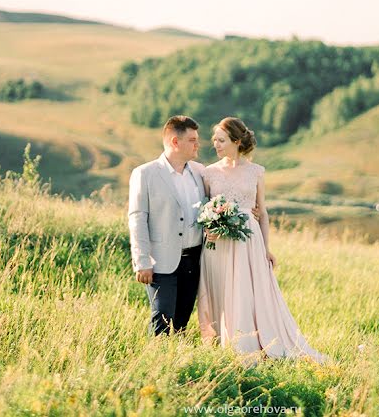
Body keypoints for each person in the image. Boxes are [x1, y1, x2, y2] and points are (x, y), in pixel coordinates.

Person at [197, 117, 326, 362]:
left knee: (249, 292)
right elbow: (204, 208)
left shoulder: (256, 172)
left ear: (236, 141)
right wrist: (207, 229)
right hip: (218, 243)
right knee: (221, 289)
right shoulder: (209, 172)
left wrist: (266, 249)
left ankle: (252, 342)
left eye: (221, 139)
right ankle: (220, 341)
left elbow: (262, 212)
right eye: (214, 139)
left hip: (249, 241)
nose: (215, 143)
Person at [128, 115, 206, 335]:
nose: (197, 144)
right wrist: (142, 261)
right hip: (161, 262)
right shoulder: (145, 173)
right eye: (192, 140)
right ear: (175, 142)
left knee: (181, 324)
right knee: (162, 321)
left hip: (194, 260)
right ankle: (156, 365)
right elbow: (137, 218)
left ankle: (176, 366)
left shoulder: (199, 172)